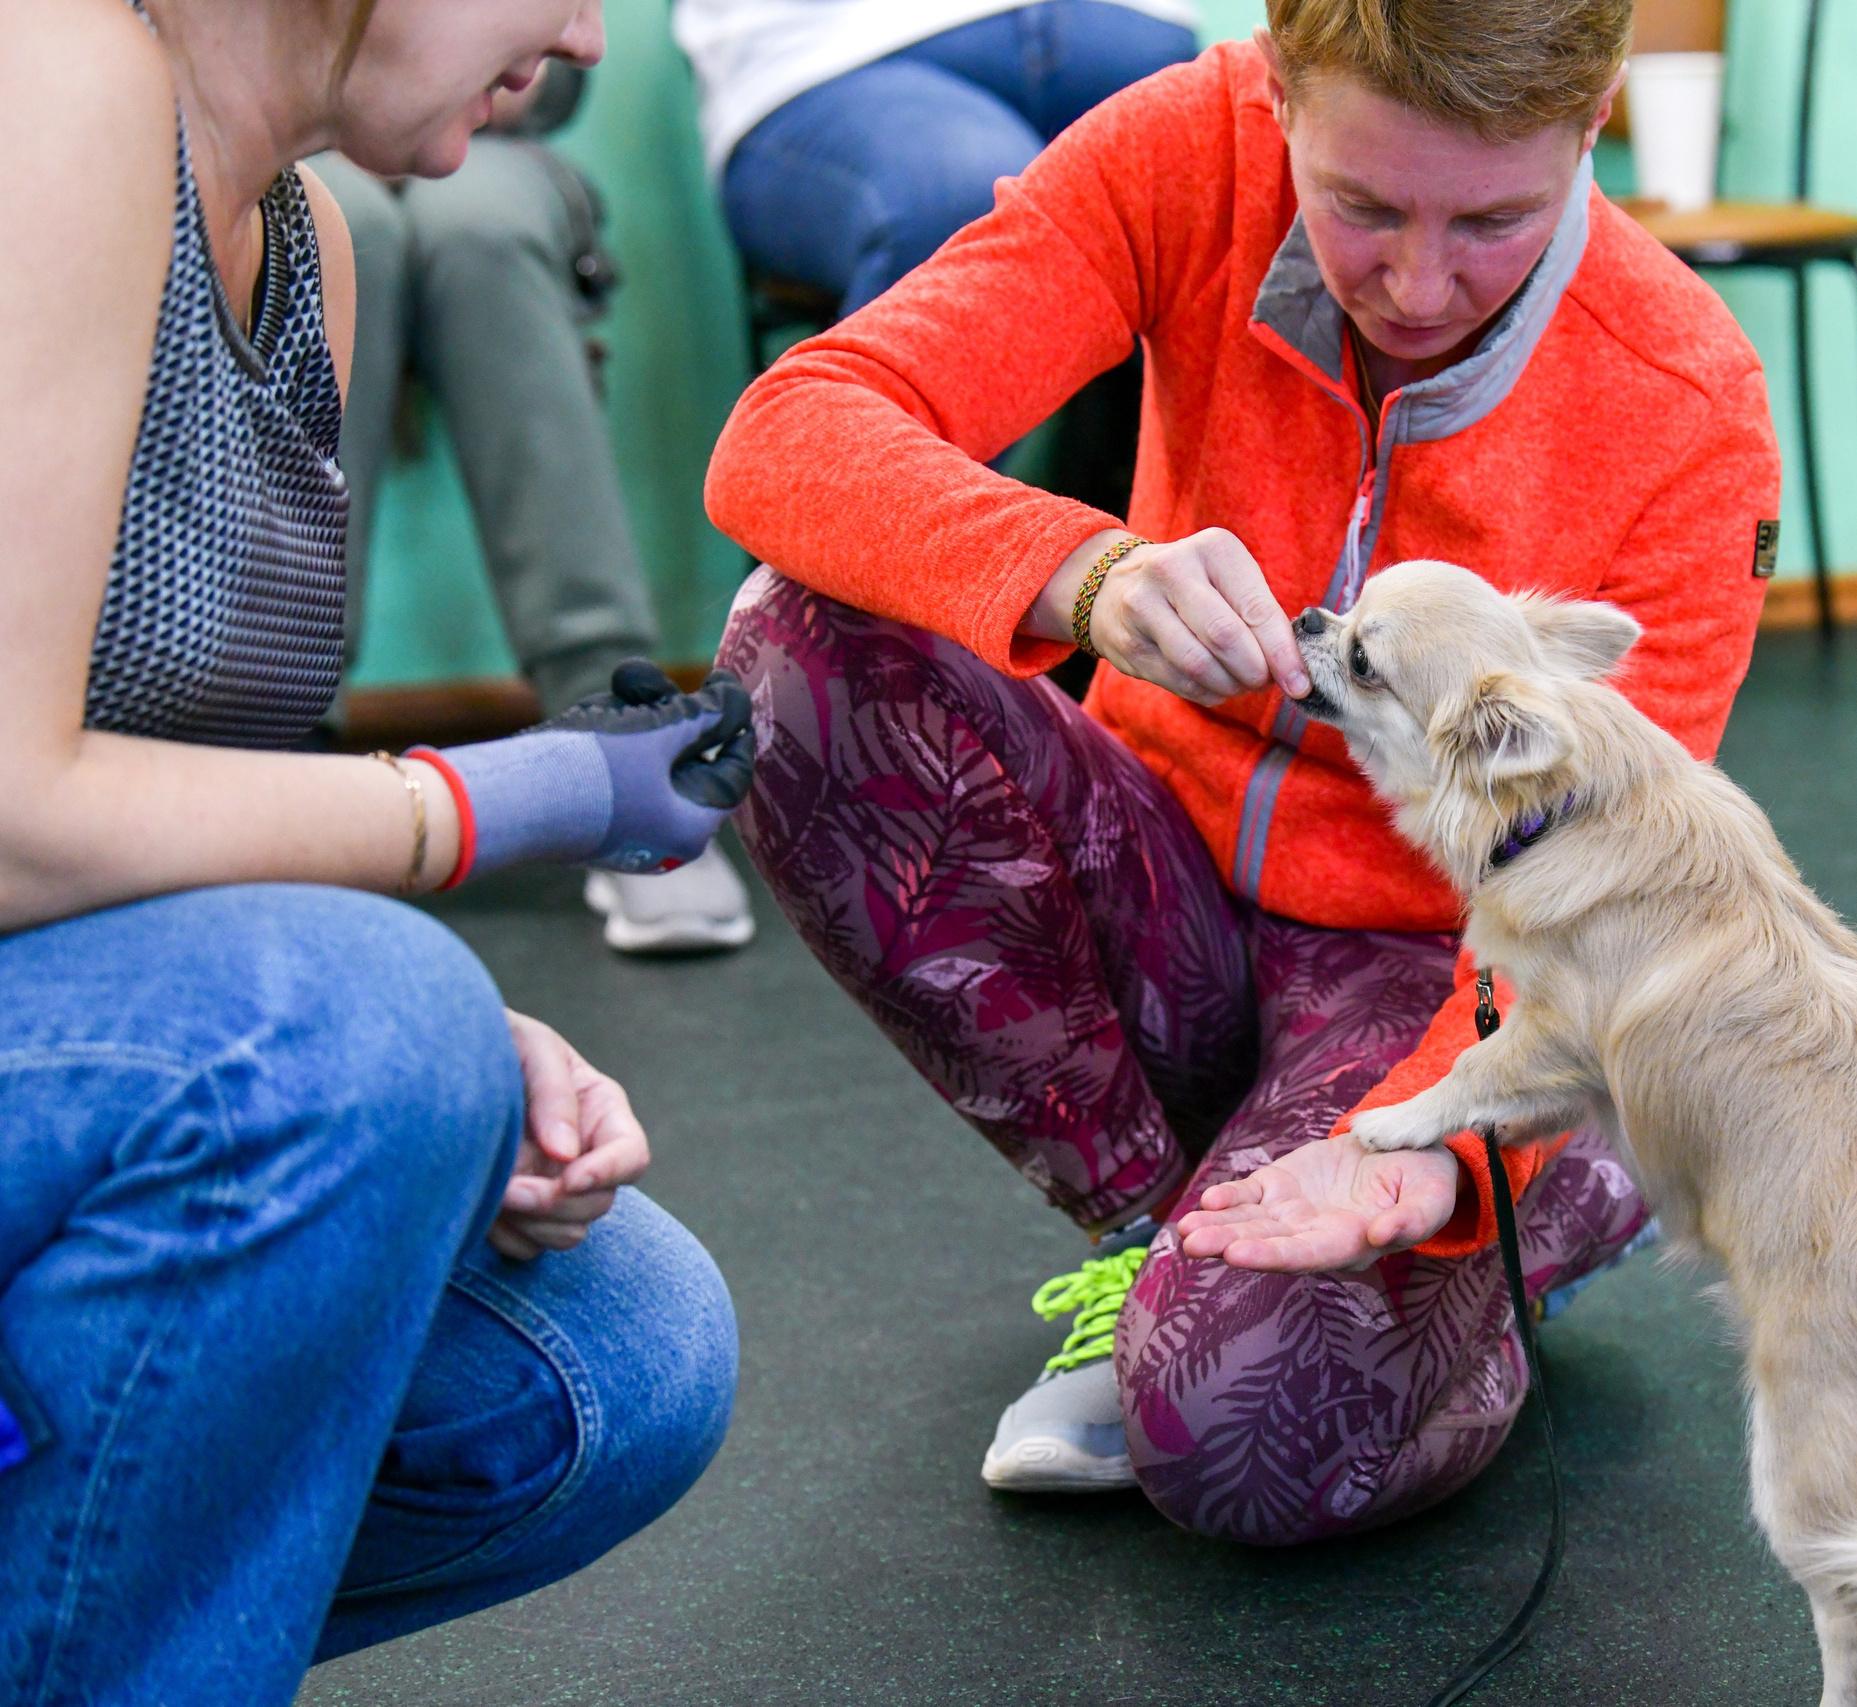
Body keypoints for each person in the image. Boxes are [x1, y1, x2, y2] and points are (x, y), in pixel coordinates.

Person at [706, 0, 1781, 1542]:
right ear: (1278, 83)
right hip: (1170, 890)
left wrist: (1438, 1164)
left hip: (1442, 979)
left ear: (1596, 112)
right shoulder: (1188, 144)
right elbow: (786, 437)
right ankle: (1165, 1234)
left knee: (1232, 1432)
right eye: (1358, 205)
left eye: (1492, 219)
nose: (1419, 282)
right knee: (792, 650)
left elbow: (1607, 922)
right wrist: (1077, 569)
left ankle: (1539, 1201)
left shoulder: (1690, 406)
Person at [2, 0, 755, 1696]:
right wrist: (522, 797)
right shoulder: (49, 70)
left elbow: (188, 833)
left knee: (618, 1359)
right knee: (361, 1020)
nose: (581, 33)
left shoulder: (313, 244)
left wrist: (461, 1056)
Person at [309, 64, 757, 957]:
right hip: (294, 143)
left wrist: (463, 74)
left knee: (482, 228)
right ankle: (282, 741)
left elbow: (559, 63)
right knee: (337, 229)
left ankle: (619, 733)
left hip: (478, 141)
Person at [675, 0, 1200, 321]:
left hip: (1133, 27)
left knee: (1244, 176)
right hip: (826, 56)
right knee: (974, 205)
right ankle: (889, 499)